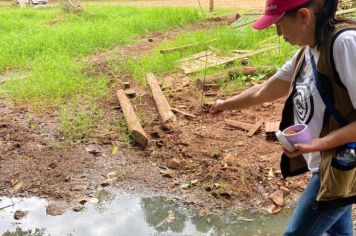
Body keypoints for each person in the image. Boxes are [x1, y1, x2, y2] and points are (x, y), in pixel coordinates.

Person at [210, 0, 356, 235]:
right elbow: (263, 90)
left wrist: (318, 144)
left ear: (303, 16)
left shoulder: (344, 45)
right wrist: (225, 104)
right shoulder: (307, 53)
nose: (278, 34)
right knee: (339, 232)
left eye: (279, 25)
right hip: (332, 166)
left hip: (343, 162)